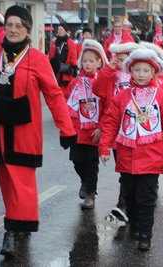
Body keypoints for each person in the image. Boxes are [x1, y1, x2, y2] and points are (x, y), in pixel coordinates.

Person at [0, 5, 76, 257]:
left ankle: (12, 229)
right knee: (8, 183)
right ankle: (19, 223)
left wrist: (67, 129)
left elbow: (54, 95)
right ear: (4, 27)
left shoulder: (38, 59)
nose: (13, 29)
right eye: (10, 25)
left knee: (22, 183)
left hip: (25, 132)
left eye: (19, 25)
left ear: (27, 30)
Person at [99, 48, 163, 250]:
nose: (141, 74)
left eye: (146, 70)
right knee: (129, 196)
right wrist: (104, 147)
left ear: (153, 73)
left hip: (151, 159)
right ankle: (135, 225)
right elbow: (111, 122)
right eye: (137, 70)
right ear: (131, 71)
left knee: (146, 198)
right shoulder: (122, 96)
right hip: (126, 158)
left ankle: (145, 234)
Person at [93, 41, 140, 221]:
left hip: (136, 130)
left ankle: (129, 202)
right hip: (117, 131)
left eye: (125, 60)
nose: (122, 63)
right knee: (123, 169)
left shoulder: (139, 75)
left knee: (135, 168)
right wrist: (109, 68)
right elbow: (97, 89)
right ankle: (123, 204)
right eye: (119, 60)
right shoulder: (111, 77)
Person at [66, 39, 108, 209]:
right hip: (76, 129)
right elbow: (65, 102)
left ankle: (91, 193)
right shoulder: (75, 83)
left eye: (91, 61)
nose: (87, 64)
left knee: (91, 163)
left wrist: (101, 127)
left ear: (99, 63)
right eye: (85, 61)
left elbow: (108, 107)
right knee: (76, 160)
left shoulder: (103, 83)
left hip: (94, 131)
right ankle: (84, 180)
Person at [49, 23, 78, 98]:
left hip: (65, 69)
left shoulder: (70, 42)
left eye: (61, 29)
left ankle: (64, 105)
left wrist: (74, 67)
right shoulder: (54, 42)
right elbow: (51, 55)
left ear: (65, 31)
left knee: (65, 91)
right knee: (55, 88)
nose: (60, 31)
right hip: (56, 69)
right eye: (58, 29)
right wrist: (49, 65)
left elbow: (73, 56)